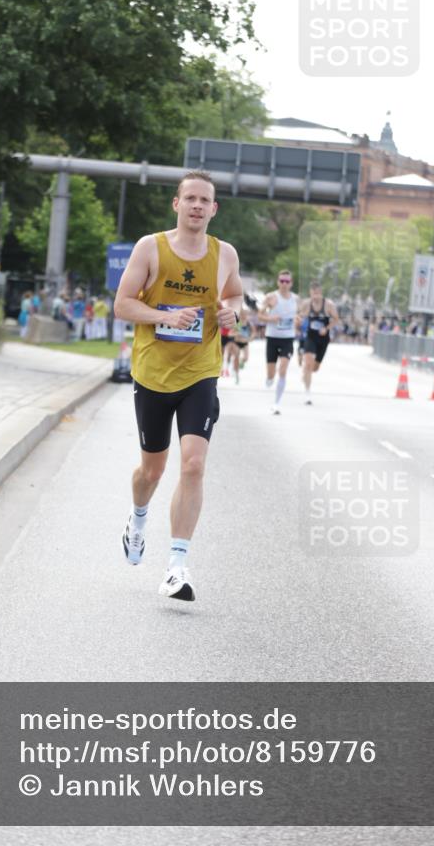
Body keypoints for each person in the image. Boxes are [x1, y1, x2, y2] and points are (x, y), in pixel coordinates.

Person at [114, 170, 242, 602]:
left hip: (200, 371)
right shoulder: (151, 247)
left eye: (205, 200)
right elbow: (122, 304)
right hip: (152, 372)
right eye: (190, 198)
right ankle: (137, 518)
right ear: (177, 204)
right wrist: (165, 317)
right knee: (151, 470)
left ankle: (176, 566)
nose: (197, 206)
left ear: (214, 208)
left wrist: (231, 313)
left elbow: (236, 296)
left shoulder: (224, 254)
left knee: (193, 464)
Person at [258, 269, 299, 415]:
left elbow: (299, 317)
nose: (284, 284)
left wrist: (298, 321)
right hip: (272, 337)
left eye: (287, 281)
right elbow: (260, 316)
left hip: (288, 338)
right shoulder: (271, 297)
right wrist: (271, 317)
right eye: (281, 281)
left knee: (283, 370)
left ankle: (276, 403)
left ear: (291, 283)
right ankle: (269, 378)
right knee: (271, 374)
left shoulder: (296, 299)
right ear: (278, 282)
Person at [297, 281, 339, 404]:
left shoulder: (328, 305)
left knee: (315, 368)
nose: (316, 296)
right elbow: (299, 316)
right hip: (310, 336)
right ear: (310, 293)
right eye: (314, 293)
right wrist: (298, 321)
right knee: (308, 364)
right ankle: (307, 394)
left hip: (323, 339)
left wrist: (326, 328)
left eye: (318, 293)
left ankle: (306, 373)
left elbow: (336, 319)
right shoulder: (306, 304)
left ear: (321, 293)